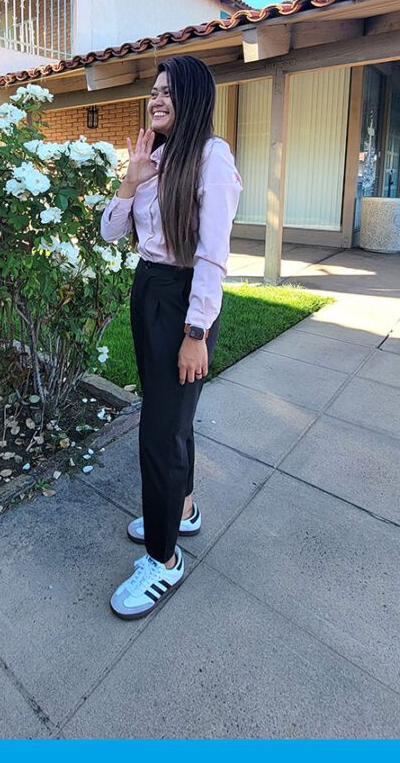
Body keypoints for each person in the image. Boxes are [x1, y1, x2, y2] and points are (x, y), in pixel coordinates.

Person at [100, 55, 242, 619]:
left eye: (168, 92)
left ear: (192, 98)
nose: (156, 99)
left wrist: (196, 332)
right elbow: (113, 232)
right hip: (148, 289)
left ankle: (164, 560)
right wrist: (129, 181)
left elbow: (213, 255)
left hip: (184, 300)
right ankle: (181, 510)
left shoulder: (212, 158)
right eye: (153, 91)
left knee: (160, 432)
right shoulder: (152, 159)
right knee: (170, 418)